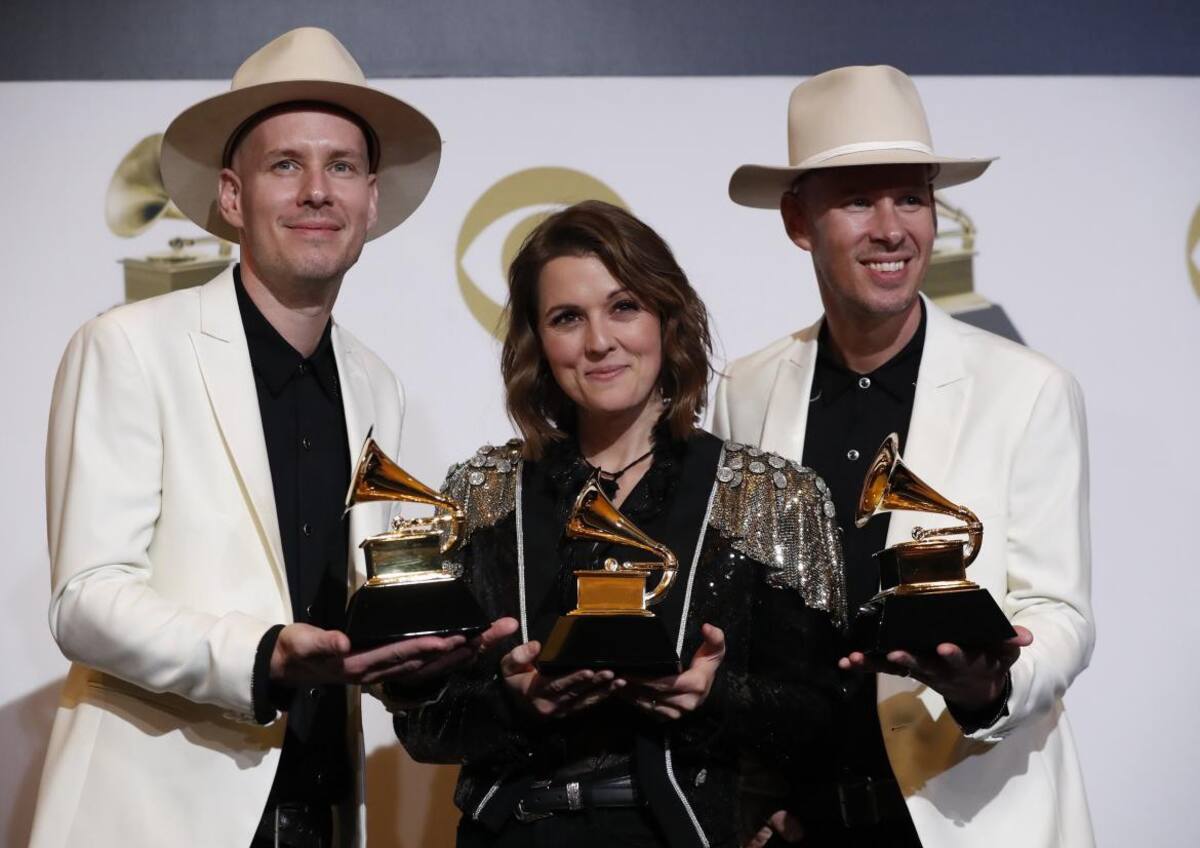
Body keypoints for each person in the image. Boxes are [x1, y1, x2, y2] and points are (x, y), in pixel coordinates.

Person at [30, 27, 514, 848]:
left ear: (370, 201)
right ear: (231, 195)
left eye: (343, 166)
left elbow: (371, 606)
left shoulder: (377, 385)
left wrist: (434, 656)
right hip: (155, 817)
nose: (317, 191)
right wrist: (265, 658)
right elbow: (87, 599)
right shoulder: (129, 346)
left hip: (326, 808)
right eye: (286, 164)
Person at [387, 200, 847, 848]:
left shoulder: (768, 497)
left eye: (623, 306)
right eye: (567, 318)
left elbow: (827, 717)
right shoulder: (481, 497)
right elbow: (422, 726)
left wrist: (715, 697)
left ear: (668, 316)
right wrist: (512, 700)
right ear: (537, 343)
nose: (599, 341)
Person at [715, 65, 1094, 847]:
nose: (893, 228)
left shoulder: (1030, 389)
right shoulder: (745, 390)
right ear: (798, 219)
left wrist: (992, 687)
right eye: (857, 198)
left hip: (973, 819)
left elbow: (1060, 612)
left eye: (912, 196)